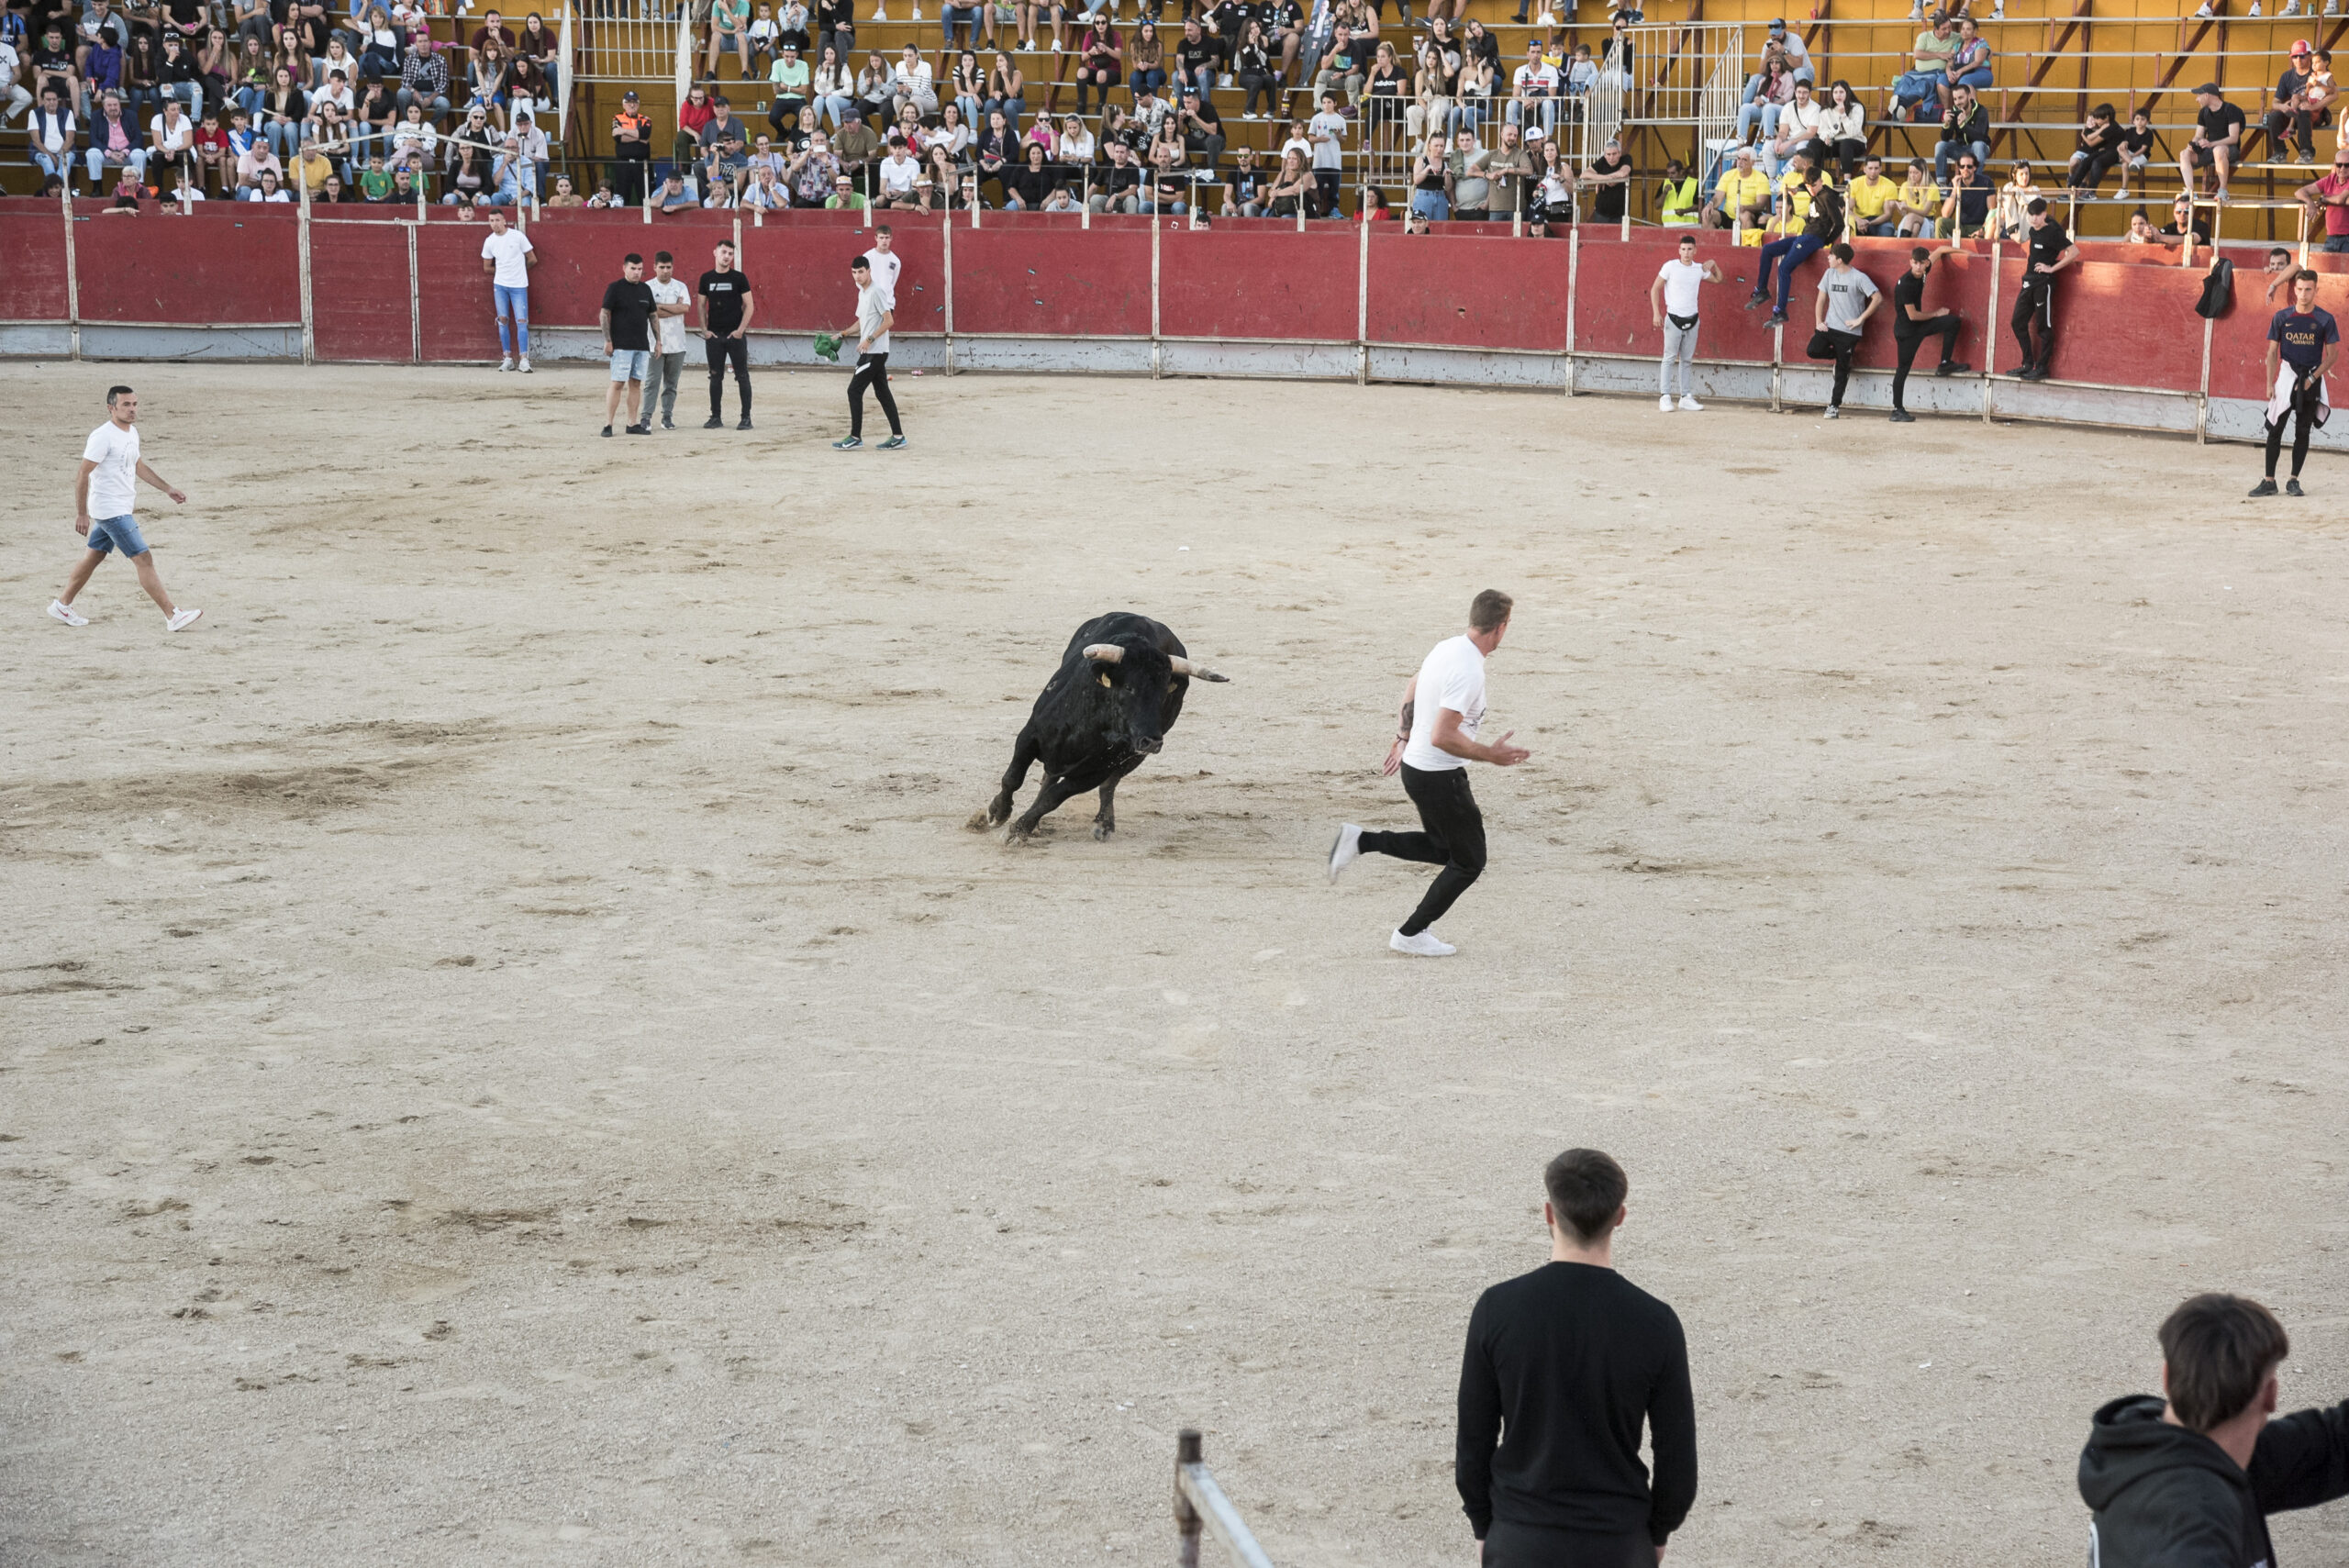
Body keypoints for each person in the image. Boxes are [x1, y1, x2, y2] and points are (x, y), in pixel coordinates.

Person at [1455, 1149, 1698, 1568]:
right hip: (1618, 1543)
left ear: (1549, 1213)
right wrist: (1657, 1534)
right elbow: (1678, 1460)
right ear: (1620, 1216)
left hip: (1521, 1539)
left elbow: (1473, 1441)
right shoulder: (1656, 1322)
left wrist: (1484, 1526)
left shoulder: (1497, 1309)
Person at [1326, 589, 1527, 958]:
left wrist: (1402, 737)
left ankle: (1360, 841)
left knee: (1442, 848)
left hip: (1418, 770)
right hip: (1440, 777)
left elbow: (1414, 685)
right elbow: (1443, 735)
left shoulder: (1447, 646)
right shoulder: (1469, 670)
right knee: (1469, 862)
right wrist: (1492, 756)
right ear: (1501, 628)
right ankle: (1410, 933)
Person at [2077, 1294, 2349, 1565]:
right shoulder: (2196, 1529)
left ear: (2167, 1378)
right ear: (2270, 1394)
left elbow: (2334, 1442)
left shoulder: (2147, 1451)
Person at [48, 385, 200, 632]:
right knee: (143, 558)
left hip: (120, 506)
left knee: (94, 556)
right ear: (111, 408)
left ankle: (62, 605)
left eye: (135, 404)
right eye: (126, 405)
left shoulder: (131, 432)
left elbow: (137, 465)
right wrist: (82, 513)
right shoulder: (102, 436)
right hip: (111, 510)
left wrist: (167, 488)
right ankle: (172, 615)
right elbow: (82, 474)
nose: (132, 410)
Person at [2251, 269, 2338, 498]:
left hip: (2311, 377)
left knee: (2303, 431)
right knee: (2275, 429)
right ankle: (2269, 480)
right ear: (2294, 289)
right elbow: (2272, 352)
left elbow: (2332, 356)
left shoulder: (2325, 319)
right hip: (2287, 376)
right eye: (2299, 289)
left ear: (2316, 290)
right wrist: (2270, 383)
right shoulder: (2282, 317)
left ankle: (2293, 480)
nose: (2303, 294)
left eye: (2308, 289)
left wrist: (2311, 378)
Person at [1748, 166, 1841, 326]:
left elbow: (1839, 224)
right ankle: (1762, 289)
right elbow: (1806, 186)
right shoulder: (1813, 189)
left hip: (1813, 238)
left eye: (1814, 186)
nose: (1811, 190)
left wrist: (1826, 241)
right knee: (1768, 250)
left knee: (1784, 268)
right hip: (1804, 236)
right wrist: (1796, 188)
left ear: (1821, 181)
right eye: (1809, 186)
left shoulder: (1827, 197)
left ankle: (1781, 311)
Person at [1887, 243, 1969, 421]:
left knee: (1953, 322)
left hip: (1918, 326)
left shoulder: (1924, 270)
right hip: (1907, 331)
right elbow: (1913, 316)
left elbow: (1940, 250)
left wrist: (1966, 253)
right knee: (1903, 369)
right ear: (1910, 262)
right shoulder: (1905, 284)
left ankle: (1945, 363)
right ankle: (1897, 410)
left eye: (1921, 263)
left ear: (1926, 264)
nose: (1918, 267)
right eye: (1915, 263)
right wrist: (1936, 313)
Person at [830, 254, 904, 450]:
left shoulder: (876, 292)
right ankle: (898, 436)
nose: (857, 276)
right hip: (873, 352)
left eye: (861, 272)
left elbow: (889, 321)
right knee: (883, 394)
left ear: (869, 271)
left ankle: (855, 436)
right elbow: (861, 322)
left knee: (854, 390)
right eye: (854, 272)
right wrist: (843, 334)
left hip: (875, 352)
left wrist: (870, 339)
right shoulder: (862, 293)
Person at [1807, 241, 1878, 419]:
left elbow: (1877, 298)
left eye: (1831, 255)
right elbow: (1820, 299)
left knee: (1842, 371)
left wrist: (1860, 319)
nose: (1828, 257)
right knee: (1813, 350)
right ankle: (1838, 358)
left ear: (1839, 260)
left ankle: (1834, 406)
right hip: (1829, 326)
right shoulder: (1829, 273)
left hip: (1849, 332)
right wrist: (1818, 321)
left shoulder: (1858, 277)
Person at [1650, 232, 1720, 412]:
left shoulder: (1699, 269)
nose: (1686, 253)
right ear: (1678, 250)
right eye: (1683, 249)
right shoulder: (1670, 267)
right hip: (1673, 318)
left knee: (1686, 360)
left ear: (1695, 250)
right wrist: (1656, 312)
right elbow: (1655, 289)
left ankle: (1685, 396)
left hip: (1693, 318)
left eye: (1689, 249)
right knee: (1669, 358)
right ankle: (1665, 396)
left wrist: (1714, 264)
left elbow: (1719, 279)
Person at [2009, 196, 2076, 383]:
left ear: (2044, 214)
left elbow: (2074, 252)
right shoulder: (2032, 229)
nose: (2033, 219)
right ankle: (2027, 363)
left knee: (2043, 327)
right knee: (2017, 322)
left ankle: (2043, 367)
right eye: (2031, 215)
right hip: (2028, 281)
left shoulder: (2053, 232)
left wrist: (2051, 268)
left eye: (2037, 215)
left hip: (2043, 284)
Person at [697, 239, 756, 430]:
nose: (727, 257)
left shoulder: (739, 278)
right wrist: (705, 330)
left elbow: (750, 305)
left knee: (742, 376)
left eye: (730, 254)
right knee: (715, 376)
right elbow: (700, 305)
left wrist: (740, 331)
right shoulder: (706, 278)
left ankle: (746, 418)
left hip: (734, 336)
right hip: (715, 336)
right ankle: (715, 417)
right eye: (724, 252)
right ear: (715, 253)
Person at [598, 252, 656, 438]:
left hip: (641, 345)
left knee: (636, 384)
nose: (637, 272)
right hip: (621, 345)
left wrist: (659, 341)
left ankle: (632, 423)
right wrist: (608, 340)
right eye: (633, 268)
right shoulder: (615, 288)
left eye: (640, 269)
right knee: (617, 383)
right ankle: (608, 424)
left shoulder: (646, 290)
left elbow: (653, 316)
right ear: (624, 268)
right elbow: (604, 314)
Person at [478, 206, 534, 373]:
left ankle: (524, 359)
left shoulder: (517, 236)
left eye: (497, 220)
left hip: (518, 285)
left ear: (504, 221)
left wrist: (519, 270)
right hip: (500, 285)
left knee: (521, 321)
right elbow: (487, 267)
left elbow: (532, 259)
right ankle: (508, 357)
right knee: (503, 321)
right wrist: (503, 270)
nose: (494, 224)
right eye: (491, 221)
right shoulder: (489, 241)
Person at [641, 250, 693, 430]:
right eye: (661, 267)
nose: (665, 271)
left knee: (671, 384)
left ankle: (667, 417)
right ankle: (646, 417)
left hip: (677, 343)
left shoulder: (680, 286)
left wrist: (659, 307)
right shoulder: (647, 287)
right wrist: (674, 307)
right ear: (654, 267)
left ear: (673, 267)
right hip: (653, 342)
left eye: (668, 267)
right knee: (652, 383)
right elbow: (648, 313)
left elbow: (685, 308)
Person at [2179, 83, 2243, 201]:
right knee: (2184, 154)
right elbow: (2198, 135)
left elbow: (2234, 138)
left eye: (2198, 95)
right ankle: (2190, 191)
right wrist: (2193, 144)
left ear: (2207, 95)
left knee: (2218, 150)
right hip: (2210, 150)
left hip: (2229, 149)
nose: (2196, 99)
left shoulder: (2231, 109)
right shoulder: (2203, 112)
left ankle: (2223, 191)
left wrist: (2211, 144)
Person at [2296, 150, 2349, 253]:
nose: (2342, 168)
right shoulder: (2329, 180)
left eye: (2347, 165)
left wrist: (2323, 199)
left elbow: (2339, 199)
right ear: (2335, 164)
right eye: (2339, 165)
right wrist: (2310, 203)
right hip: (2331, 237)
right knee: (2326, 267)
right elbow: (2299, 192)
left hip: (2347, 238)